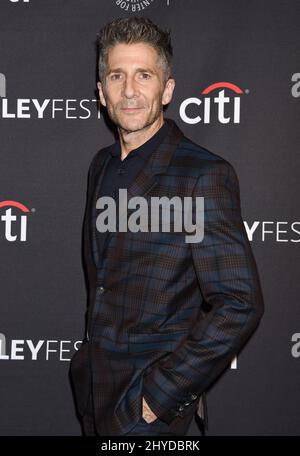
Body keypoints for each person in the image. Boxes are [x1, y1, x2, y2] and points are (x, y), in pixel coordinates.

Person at [69, 16, 264, 437]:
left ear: (167, 89)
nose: (130, 91)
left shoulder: (202, 175)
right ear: (101, 93)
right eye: (117, 76)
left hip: (154, 416)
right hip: (95, 398)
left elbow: (239, 302)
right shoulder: (100, 166)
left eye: (144, 75)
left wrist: (158, 398)